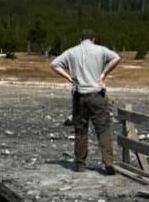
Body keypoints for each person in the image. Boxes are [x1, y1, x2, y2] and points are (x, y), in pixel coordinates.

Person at [50, 29, 122, 174]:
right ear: (93, 39)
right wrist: (103, 74)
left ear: (80, 39)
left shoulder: (71, 52)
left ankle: (80, 164)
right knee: (103, 130)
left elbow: (54, 64)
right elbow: (116, 58)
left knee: (81, 130)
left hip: (79, 95)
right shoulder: (100, 50)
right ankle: (108, 162)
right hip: (97, 94)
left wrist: (69, 77)